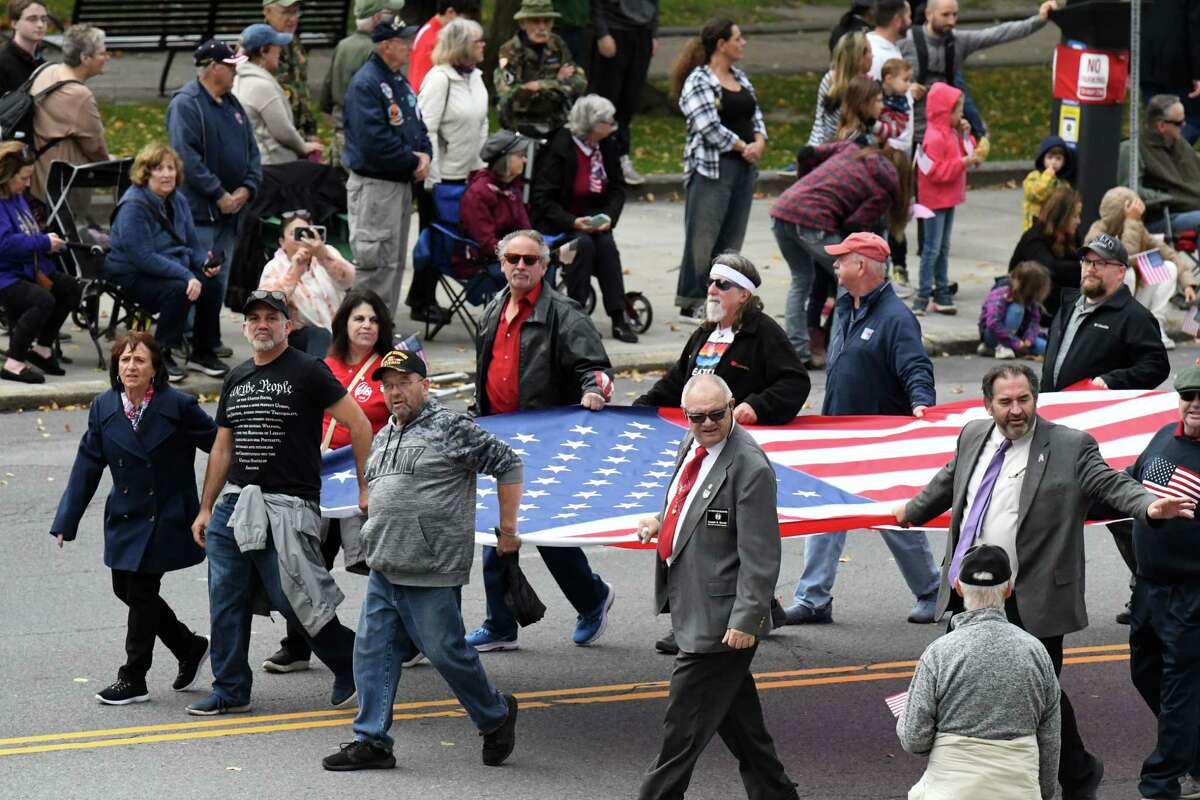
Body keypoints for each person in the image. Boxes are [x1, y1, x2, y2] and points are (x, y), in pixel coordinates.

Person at [896, 362, 1194, 800]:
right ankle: (1010, 771)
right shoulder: (973, 435)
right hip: (971, 587)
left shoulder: (1070, 445)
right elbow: (950, 479)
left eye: (1024, 400)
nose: (1016, 410)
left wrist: (1148, 506)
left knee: (1042, 686)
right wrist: (912, 510)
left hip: (1033, 593)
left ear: (1035, 399)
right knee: (968, 677)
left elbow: (1110, 484)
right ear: (988, 404)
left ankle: (1070, 774)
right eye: (1006, 402)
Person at [320, 348, 521, 772]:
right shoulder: (385, 434)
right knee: (372, 651)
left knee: (445, 651)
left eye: (403, 383)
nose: (395, 392)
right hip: (386, 564)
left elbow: (508, 462)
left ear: (424, 385)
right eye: (388, 385)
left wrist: (507, 529)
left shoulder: (450, 426)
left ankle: (495, 715)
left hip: (430, 566)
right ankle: (372, 740)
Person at [186, 290, 373, 716]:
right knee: (226, 597)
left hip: (288, 503)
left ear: (288, 326)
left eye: (272, 317)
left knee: (295, 598)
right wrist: (206, 507)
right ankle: (230, 689)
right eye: (255, 319)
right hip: (234, 504)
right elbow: (221, 449)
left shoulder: (308, 370)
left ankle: (351, 663)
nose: (263, 325)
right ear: (245, 327)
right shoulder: (236, 377)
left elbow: (359, 424)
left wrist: (366, 488)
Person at [634, 373, 799, 800]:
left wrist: (747, 618)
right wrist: (662, 520)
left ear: (731, 408)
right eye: (696, 417)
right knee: (744, 729)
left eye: (715, 415)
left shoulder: (749, 466)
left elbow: (761, 555)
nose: (707, 424)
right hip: (696, 606)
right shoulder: (694, 444)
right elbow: (686, 496)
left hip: (720, 623)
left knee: (681, 733)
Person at [780, 232, 940, 627]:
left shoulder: (896, 318)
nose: (834, 265)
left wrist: (922, 402)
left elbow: (916, 367)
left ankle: (932, 590)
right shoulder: (846, 308)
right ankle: (813, 598)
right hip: (838, 432)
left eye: (842, 259)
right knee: (826, 511)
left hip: (875, 439)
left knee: (891, 517)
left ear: (863, 266)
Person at [466, 230, 616, 652]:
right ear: (501, 263)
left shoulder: (564, 314)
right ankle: (500, 624)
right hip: (496, 438)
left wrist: (595, 391)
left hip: (546, 442)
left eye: (530, 260)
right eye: (513, 258)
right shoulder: (493, 309)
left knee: (547, 535)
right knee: (497, 529)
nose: (521, 266)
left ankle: (593, 598)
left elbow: (597, 369)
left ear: (545, 267)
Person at [50, 333, 216, 706]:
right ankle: (189, 646)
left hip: (167, 514)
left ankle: (133, 677)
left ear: (155, 367)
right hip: (126, 514)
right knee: (124, 589)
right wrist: (66, 519)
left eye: (139, 360)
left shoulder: (179, 405)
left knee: (141, 592)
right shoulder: (104, 407)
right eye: (124, 360)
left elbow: (220, 446)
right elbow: (88, 465)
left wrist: (215, 498)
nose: (130, 367)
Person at [263, 287, 397, 674]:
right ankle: (299, 646)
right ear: (344, 324)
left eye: (373, 319)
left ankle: (404, 639)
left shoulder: (391, 367)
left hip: (368, 480)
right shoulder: (326, 364)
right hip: (319, 480)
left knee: (379, 564)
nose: (366, 325)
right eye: (359, 318)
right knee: (306, 562)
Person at [897, 544, 1061, 800]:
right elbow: (1050, 740)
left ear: (959, 587)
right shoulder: (1036, 652)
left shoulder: (939, 653)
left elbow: (914, 739)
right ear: (1009, 589)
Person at [1125, 363, 1200, 800]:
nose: (1195, 405)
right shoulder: (1161, 439)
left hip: (1191, 595)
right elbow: (1131, 489)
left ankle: (1161, 780)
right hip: (1148, 589)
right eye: (1189, 396)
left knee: (1179, 689)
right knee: (1144, 673)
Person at [770, 140, 912, 369]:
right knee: (847, 283)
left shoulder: (850, 149)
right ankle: (839, 355)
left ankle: (797, 351)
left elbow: (808, 153)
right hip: (814, 222)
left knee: (800, 280)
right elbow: (855, 223)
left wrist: (806, 181)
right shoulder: (885, 187)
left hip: (782, 210)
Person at [103, 142, 230, 382]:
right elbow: (143, 257)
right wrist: (187, 275)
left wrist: (205, 263)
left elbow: (192, 243)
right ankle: (161, 353)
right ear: (145, 173)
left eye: (171, 168)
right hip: (132, 273)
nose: (167, 174)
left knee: (211, 284)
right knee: (179, 289)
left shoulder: (178, 200)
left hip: (170, 265)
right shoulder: (133, 206)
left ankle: (203, 351)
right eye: (159, 168)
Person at [635, 253, 810, 425]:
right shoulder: (704, 332)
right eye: (710, 282)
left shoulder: (764, 331)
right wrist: (640, 408)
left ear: (744, 295)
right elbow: (676, 382)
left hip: (738, 435)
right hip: (697, 429)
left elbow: (795, 382)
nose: (711, 290)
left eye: (723, 284)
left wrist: (757, 406)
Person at [672, 17, 766, 321]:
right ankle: (692, 299)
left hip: (744, 169)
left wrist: (760, 141)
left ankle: (722, 298)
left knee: (731, 239)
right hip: (712, 170)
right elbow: (707, 126)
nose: (743, 43)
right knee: (703, 239)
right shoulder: (698, 80)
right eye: (738, 38)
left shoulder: (741, 77)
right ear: (721, 45)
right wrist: (743, 146)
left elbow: (756, 113)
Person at [530, 94, 638, 343]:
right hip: (560, 224)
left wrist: (609, 217)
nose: (612, 125)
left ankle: (618, 316)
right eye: (607, 121)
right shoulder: (560, 147)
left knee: (606, 246)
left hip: (594, 221)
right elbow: (542, 198)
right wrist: (571, 222)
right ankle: (577, 319)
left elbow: (617, 188)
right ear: (592, 124)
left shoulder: (606, 145)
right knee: (584, 246)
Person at [342, 16, 431, 318]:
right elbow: (373, 143)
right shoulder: (366, 84)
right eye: (403, 41)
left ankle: (382, 330)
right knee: (375, 264)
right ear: (385, 45)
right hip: (376, 187)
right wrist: (412, 160)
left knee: (392, 263)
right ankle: (360, 337)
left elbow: (418, 125)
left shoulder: (397, 80)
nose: (409, 47)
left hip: (399, 184)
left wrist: (425, 154)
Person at [167, 39, 262, 313]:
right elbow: (187, 158)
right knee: (197, 274)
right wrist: (219, 194)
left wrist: (247, 188)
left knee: (219, 276)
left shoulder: (232, 103)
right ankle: (186, 335)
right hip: (200, 212)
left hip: (231, 212)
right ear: (213, 68)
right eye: (230, 66)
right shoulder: (187, 104)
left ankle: (207, 337)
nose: (235, 72)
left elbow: (252, 150)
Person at [410, 16, 488, 322]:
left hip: (468, 171)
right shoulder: (439, 79)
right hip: (441, 175)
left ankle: (427, 296)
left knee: (456, 240)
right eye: (478, 41)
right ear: (462, 46)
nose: (483, 46)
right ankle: (421, 299)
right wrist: (433, 176)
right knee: (434, 238)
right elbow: (426, 129)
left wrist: (481, 167)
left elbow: (482, 123)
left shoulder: (476, 77)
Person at [899, 0, 1056, 141]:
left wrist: (1040, 19)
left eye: (955, 15)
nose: (951, 21)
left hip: (943, 136)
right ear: (928, 14)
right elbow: (882, 77)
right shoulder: (906, 40)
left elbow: (1000, 33)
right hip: (908, 133)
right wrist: (906, 89)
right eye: (945, 15)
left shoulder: (959, 41)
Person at [1041, 233, 1170, 393]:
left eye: (1100, 263)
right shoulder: (1067, 304)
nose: (1090, 269)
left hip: (1095, 413)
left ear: (1121, 272)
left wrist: (1112, 381)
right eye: (1087, 261)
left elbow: (1157, 366)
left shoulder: (1135, 316)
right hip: (1050, 410)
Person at [0, 141, 77, 384]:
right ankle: (14, 363)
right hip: (5, 276)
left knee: (70, 288)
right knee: (41, 300)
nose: (28, 184)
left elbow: (27, 235)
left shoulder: (16, 196)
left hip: (25, 268)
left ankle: (42, 350)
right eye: (23, 178)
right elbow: (5, 245)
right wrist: (43, 243)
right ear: (6, 176)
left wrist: (48, 241)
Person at [1085, 186, 1196, 351]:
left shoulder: (1138, 229)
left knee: (1168, 267)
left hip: (1134, 297)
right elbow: (1124, 257)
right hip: (1107, 306)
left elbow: (1170, 254)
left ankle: (1154, 326)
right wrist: (1131, 222)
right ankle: (1119, 331)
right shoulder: (1097, 232)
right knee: (1124, 271)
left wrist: (1187, 283)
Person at [912, 82, 977, 317]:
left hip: (948, 199)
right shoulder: (934, 138)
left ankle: (941, 291)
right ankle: (922, 294)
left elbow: (971, 154)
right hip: (934, 201)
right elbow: (935, 172)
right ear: (944, 112)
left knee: (943, 247)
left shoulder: (951, 133)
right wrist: (962, 164)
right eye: (957, 111)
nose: (961, 115)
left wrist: (966, 135)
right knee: (932, 248)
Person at [28, 24, 110, 206]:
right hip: (60, 189)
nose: (107, 57)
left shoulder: (45, 70)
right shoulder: (78, 95)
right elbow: (96, 148)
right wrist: (111, 168)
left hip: (35, 180)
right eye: (102, 53)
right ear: (85, 58)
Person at [319, 0, 405, 171]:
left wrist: (329, 111)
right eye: (389, 13)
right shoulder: (378, 50)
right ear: (376, 17)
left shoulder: (343, 45)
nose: (395, 18)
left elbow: (327, 87)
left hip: (340, 130)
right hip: (364, 135)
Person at [257, 209, 356, 357]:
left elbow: (350, 281)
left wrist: (324, 256)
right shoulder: (274, 266)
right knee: (319, 335)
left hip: (338, 333)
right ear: (282, 243)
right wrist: (295, 271)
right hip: (297, 340)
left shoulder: (327, 252)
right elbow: (267, 305)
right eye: (296, 234)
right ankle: (317, 378)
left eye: (307, 232)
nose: (302, 238)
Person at [587, 0, 659, 186]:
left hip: (641, 31)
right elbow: (595, 5)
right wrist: (602, 32)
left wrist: (652, 31)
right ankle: (599, 158)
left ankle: (621, 156)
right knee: (607, 100)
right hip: (614, 28)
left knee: (630, 99)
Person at [233, 23, 323, 165]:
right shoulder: (260, 86)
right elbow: (283, 131)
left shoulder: (239, 78)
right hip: (271, 164)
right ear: (264, 51)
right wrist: (304, 147)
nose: (280, 51)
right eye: (277, 46)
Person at [495, 0, 588, 136]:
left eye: (547, 22)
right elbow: (512, 95)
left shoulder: (557, 44)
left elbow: (580, 80)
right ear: (523, 24)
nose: (542, 27)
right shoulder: (509, 51)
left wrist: (539, 85)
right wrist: (558, 83)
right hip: (518, 125)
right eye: (535, 22)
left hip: (555, 121)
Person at [1119, 94, 1200, 237]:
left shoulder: (1178, 142)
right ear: (1161, 125)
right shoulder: (1132, 149)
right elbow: (1130, 190)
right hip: (1164, 216)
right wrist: (1167, 198)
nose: (1184, 125)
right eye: (1179, 122)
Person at [458, 130, 532, 279]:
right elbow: (486, 243)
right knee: (532, 271)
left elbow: (525, 229)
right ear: (505, 160)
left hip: (509, 255)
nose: (525, 160)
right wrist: (520, 252)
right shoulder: (478, 192)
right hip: (482, 261)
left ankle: (536, 302)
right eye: (520, 156)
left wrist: (535, 246)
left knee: (547, 262)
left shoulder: (511, 187)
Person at [1009, 187, 1082, 318]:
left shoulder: (1071, 236)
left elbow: (1079, 260)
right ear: (1061, 217)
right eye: (1075, 216)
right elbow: (1051, 268)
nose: (1078, 221)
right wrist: (1084, 266)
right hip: (1029, 302)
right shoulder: (1034, 238)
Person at [1140, 0, 1200, 145]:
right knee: (1190, 120)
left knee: (1156, 123)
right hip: (1180, 64)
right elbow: (1195, 25)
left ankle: (1153, 160)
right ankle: (1165, 155)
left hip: (1146, 60)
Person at [262, 0, 318, 141]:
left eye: (296, 11)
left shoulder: (294, 43)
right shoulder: (258, 47)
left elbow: (302, 90)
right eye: (286, 12)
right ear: (268, 12)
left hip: (299, 136)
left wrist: (311, 132)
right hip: (272, 141)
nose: (293, 18)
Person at [808, 31, 872, 147]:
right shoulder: (830, 80)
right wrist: (813, 150)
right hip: (826, 148)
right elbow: (820, 123)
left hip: (851, 150)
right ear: (859, 58)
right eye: (870, 51)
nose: (873, 56)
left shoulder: (869, 85)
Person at [977, 261, 1050, 360]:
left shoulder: (1031, 300)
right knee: (1017, 309)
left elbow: (1034, 321)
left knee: (1045, 348)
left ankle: (1004, 349)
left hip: (1019, 336)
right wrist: (1015, 342)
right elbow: (993, 323)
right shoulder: (1001, 295)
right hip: (994, 336)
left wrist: (1029, 339)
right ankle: (1001, 347)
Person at [868, 0, 915, 151]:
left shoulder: (890, 47)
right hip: (890, 146)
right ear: (897, 20)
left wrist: (908, 91)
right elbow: (872, 99)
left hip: (898, 142)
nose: (911, 22)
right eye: (908, 16)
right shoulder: (876, 55)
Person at [409, 0, 481, 91]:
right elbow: (421, 81)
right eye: (464, 18)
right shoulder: (431, 39)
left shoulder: (434, 32)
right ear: (450, 12)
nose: (466, 24)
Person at [1022, 136, 1074, 231]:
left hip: (1053, 228)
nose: (1053, 162)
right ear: (1043, 158)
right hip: (1034, 227)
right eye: (1050, 157)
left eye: (1058, 159)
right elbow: (1034, 195)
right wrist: (1047, 177)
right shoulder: (1034, 177)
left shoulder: (1063, 183)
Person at [0, 0, 47, 96]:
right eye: (32, 19)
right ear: (14, 24)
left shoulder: (43, 63)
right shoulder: (2, 63)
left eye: (44, 19)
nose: (40, 25)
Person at [879, 59, 914, 147]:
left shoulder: (902, 103)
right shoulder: (875, 92)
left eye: (909, 81)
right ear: (889, 79)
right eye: (905, 80)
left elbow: (898, 129)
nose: (909, 85)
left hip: (895, 146)